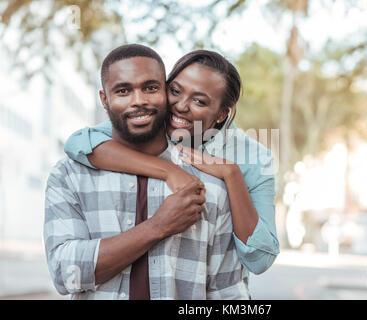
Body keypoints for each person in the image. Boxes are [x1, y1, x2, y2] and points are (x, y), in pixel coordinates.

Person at [44, 44, 249, 300]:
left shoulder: (209, 185)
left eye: (150, 88)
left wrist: (232, 175)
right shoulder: (70, 175)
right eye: (123, 91)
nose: (139, 100)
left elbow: (228, 292)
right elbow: (66, 273)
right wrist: (158, 226)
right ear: (104, 99)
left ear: (166, 92)